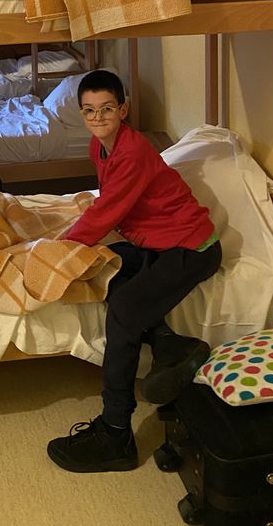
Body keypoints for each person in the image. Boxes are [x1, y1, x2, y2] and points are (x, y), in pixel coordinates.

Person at [46, 69, 221, 474]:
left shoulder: (133, 151)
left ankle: (115, 433)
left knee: (124, 309)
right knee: (108, 266)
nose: (98, 117)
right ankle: (169, 345)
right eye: (90, 110)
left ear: (123, 110)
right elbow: (110, 202)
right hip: (157, 244)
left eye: (106, 108)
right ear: (82, 114)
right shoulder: (99, 146)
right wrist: (75, 242)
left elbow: (107, 212)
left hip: (191, 248)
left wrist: (61, 249)